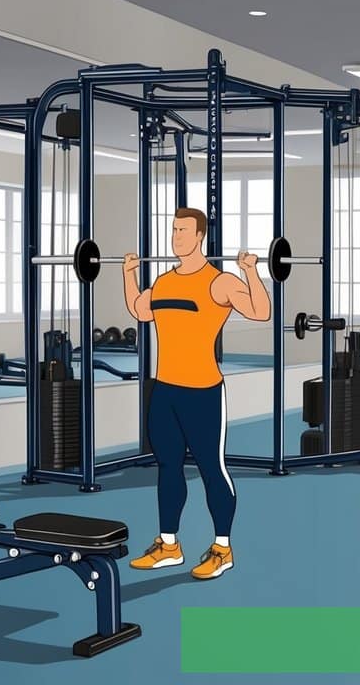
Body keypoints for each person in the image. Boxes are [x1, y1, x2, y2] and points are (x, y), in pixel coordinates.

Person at [123, 207, 271, 579]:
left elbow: (260, 311)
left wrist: (251, 271)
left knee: (211, 469)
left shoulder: (217, 282)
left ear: (200, 235)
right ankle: (169, 544)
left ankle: (223, 548)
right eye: (173, 230)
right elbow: (141, 311)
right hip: (165, 392)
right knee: (167, 467)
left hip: (202, 392)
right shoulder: (163, 282)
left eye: (183, 231)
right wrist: (129, 275)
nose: (175, 237)